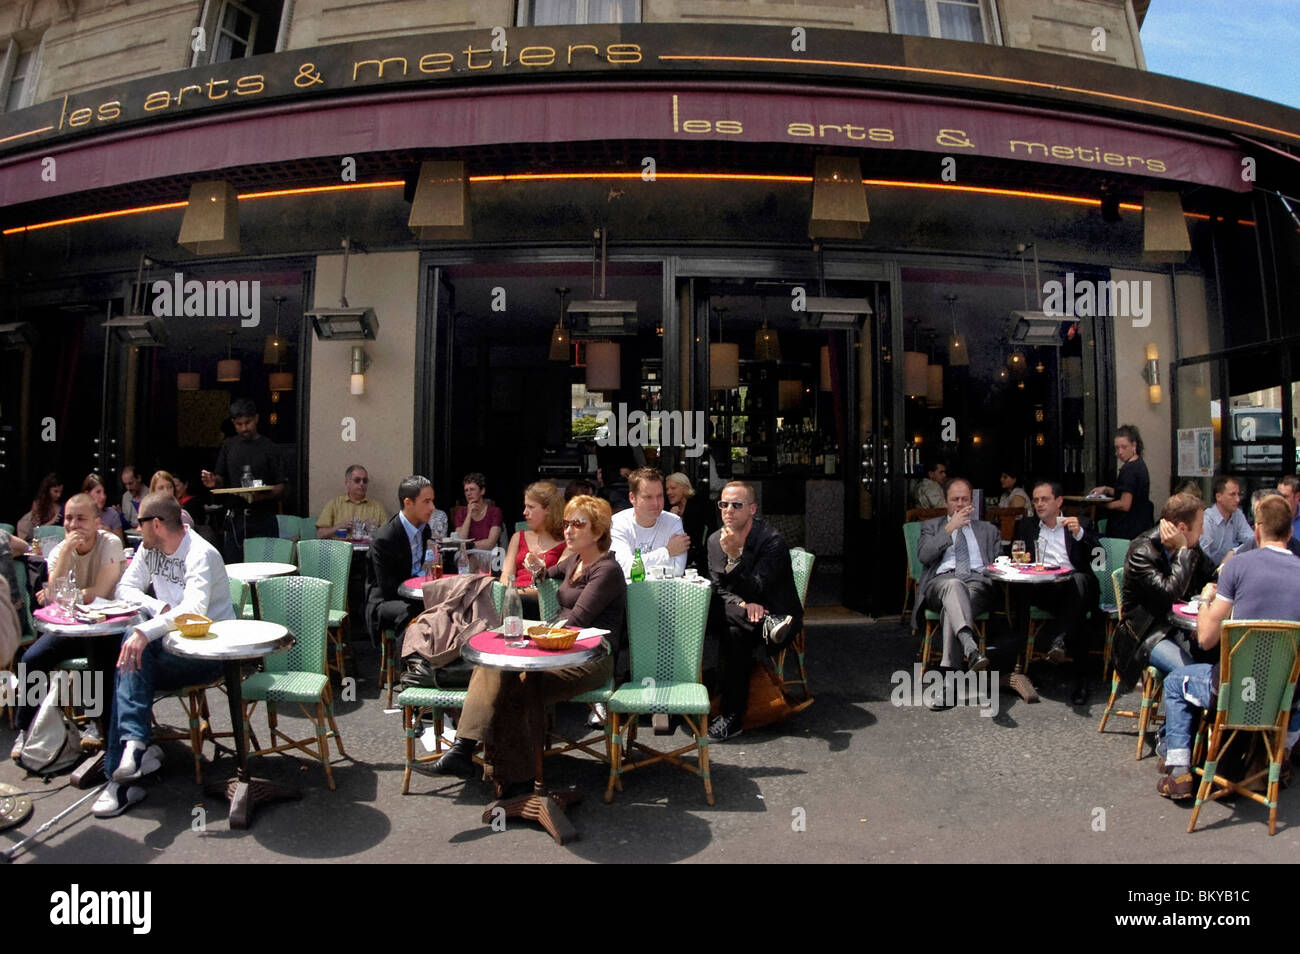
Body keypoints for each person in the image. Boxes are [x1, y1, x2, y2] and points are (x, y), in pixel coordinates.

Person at [431, 495, 625, 792]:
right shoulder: (574, 560)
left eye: (577, 524)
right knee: (494, 667)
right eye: (567, 523)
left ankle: (514, 776)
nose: (569, 530)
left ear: (597, 532)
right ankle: (465, 749)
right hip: (557, 649)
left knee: (517, 683)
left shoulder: (607, 571)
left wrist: (533, 638)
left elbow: (578, 621)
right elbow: (549, 573)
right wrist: (537, 569)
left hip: (590, 660)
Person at [95, 492, 233, 817]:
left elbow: (195, 610)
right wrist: (158, 608)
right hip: (169, 648)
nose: (134, 528)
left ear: (156, 524)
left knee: (130, 656)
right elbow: (124, 589)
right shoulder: (149, 548)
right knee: (128, 661)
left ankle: (124, 771)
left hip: (206, 654)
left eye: (139, 523)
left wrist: (146, 629)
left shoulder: (202, 554)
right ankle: (133, 750)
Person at [1155, 495, 1300, 799]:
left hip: (1233, 691)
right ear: (1290, 533)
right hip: (1285, 694)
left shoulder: (1238, 566)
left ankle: (1179, 771)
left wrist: (1207, 598)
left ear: (1257, 530)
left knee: (1174, 681)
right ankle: (1277, 755)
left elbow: (1207, 638)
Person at [10, 493, 125, 756]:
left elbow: (102, 591)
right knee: (31, 660)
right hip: (73, 627)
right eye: (69, 519)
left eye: (81, 519)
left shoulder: (110, 543)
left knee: (99, 666)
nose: (73, 526)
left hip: (105, 626)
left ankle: (99, 727)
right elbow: (51, 595)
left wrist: (64, 594)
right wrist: (66, 554)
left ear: (97, 522)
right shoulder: (62, 549)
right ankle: (26, 730)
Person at [705, 481, 801, 741]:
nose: (729, 510)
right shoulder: (715, 540)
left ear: (752, 510)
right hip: (749, 614)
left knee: (734, 633)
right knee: (718, 613)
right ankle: (705, 702)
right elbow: (718, 587)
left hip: (774, 608)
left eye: (737, 505)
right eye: (724, 504)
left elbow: (759, 588)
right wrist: (742, 605)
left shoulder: (771, 541)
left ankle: (730, 715)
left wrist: (735, 558)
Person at [1011, 481, 1103, 705]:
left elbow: (1100, 557)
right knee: (1073, 613)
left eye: (1044, 499)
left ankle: (1060, 641)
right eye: (1036, 500)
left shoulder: (1080, 523)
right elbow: (1014, 554)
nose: (1039, 504)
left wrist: (1081, 534)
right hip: (1045, 589)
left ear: (1059, 501)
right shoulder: (1027, 526)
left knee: (1079, 584)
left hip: (1074, 587)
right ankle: (1076, 674)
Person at [1112, 492, 1217, 686]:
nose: (1202, 532)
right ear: (1182, 529)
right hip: (1147, 636)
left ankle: (1202, 715)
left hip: (1180, 627)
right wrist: (1183, 553)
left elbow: (1211, 576)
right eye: (1201, 525)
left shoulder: (1190, 546)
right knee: (1193, 675)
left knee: (1220, 663)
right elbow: (1170, 593)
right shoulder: (1142, 551)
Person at [913, 478, 999, 684]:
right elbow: (924, 555)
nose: (960, 504)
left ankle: (951, 678)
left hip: (976, 584)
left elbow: (998, 565)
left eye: (965, 499)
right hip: (941, 583)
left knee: (954, 605)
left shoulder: (988, 530)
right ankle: (970, 646)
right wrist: (949, 529)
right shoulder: (931, 526)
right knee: (953, 585)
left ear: (972, 501)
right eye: (955, 499)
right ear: (945, 501)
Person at [200, 398, 288, 560]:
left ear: (256, 418)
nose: (244, 428)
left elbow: (282, 486)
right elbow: (221, 478)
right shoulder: (229, 446)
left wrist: (264, 496)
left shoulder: (270, 448)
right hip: (236, 518)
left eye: (248, 423)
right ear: (233, 423)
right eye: (239, 424)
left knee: (266, 567)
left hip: (263, 516)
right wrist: (214, 481)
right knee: (234, 568)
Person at [365, 475, 436, 641]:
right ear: (408, 503)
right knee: (413, 614)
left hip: (415, 594)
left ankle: (439, 660)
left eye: (432, 501)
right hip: (385, 601)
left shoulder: (425, 530)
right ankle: (408, 665)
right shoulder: (386, 538)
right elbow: (389, 589)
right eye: (426, 501)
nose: (432, 507)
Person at [499, 481, 568, 617]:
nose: (525, 512)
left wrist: (517, 592)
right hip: (514, 600)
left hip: (545, 603)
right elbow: (506, 576)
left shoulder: (566, 542)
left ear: (548, 509)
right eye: (525, 506)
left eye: (530, 507)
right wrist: (514, 593)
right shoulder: (518, 537)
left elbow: (558, 585)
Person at [610, 467, 689, 579]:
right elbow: (623, 568)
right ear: (632, 498)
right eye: (648, 497)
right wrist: (667, 552)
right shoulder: (618, 523)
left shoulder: (673, 522)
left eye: (660, 496)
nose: (656, 503)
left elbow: (677, 570)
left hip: (664, 593)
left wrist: (637, 564)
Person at [1090, 424, 1154, 539]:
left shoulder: (1129, 469)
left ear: (1134, 446)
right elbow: (1129, 492)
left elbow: (1125, 504)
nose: (1120, 452)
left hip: (1126, 530)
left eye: (1124, 447)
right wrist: (1106, 489)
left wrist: (1102, 505)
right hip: (1140, 527)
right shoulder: (1139, 464)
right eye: (1117, 448)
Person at [316, 464, 389, 539]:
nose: (362, 484)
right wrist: (340, 526)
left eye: (365, 481)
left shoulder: (377, 507)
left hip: (367, 550)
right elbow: (320, 534)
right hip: (340, 549)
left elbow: (388, 534)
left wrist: (373, 529)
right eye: (357, 480)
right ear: (347, 483)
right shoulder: (334, 504)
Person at [1228, 489, 1300, 559]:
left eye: (1270, 512)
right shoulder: (1242, 555)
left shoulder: (1297, 551)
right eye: (1259, 512)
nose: (1264, 517)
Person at [666, 471, 716, 570]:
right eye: (667, 489)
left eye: (673, 488)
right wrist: (672, 518)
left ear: (685, 488)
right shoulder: (667, 509)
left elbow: (700, 536)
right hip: (675, 559)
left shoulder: (701, 506)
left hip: (700, 560)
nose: (668, 492)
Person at [1199, 475, 1252, 565]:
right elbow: (1203, 556)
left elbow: (1252, 540)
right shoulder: (1207, 520)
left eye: (1238, 494)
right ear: (1218, 497)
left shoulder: (1237, 514)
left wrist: (1234, 551)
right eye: (1232, 494)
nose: (1238, 499)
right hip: (1211, 572)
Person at [451, 472, 502, 550]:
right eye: (466, 490)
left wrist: (469, 546)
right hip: (465, 555)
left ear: (482, 491)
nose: (468, 493)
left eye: (472, 489)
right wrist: (468, 515)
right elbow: (461, 539)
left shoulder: (494, 512)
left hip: (487, 554)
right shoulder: (461, 513)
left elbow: (490, 543)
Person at [16, 472, 64, 541]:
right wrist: (52, 521)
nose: (59, 495)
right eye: (55, 491)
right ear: (47, 490)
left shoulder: (60, 505)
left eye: (61, 492)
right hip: (37, 539)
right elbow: (36, 531)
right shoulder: (39, 504)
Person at [81, 473, 125, 542]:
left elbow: (122, 545)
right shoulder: (79, 514)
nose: (103, 497)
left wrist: (110, 533)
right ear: (87, 494)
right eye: (98, 492)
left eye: (104, 492)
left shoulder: (112, 514)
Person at [1278, 475, 1300, 541]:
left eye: (1285, 497)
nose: (1280, 500)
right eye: (1278, 495)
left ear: (1297, 496)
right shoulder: (1272, 514)